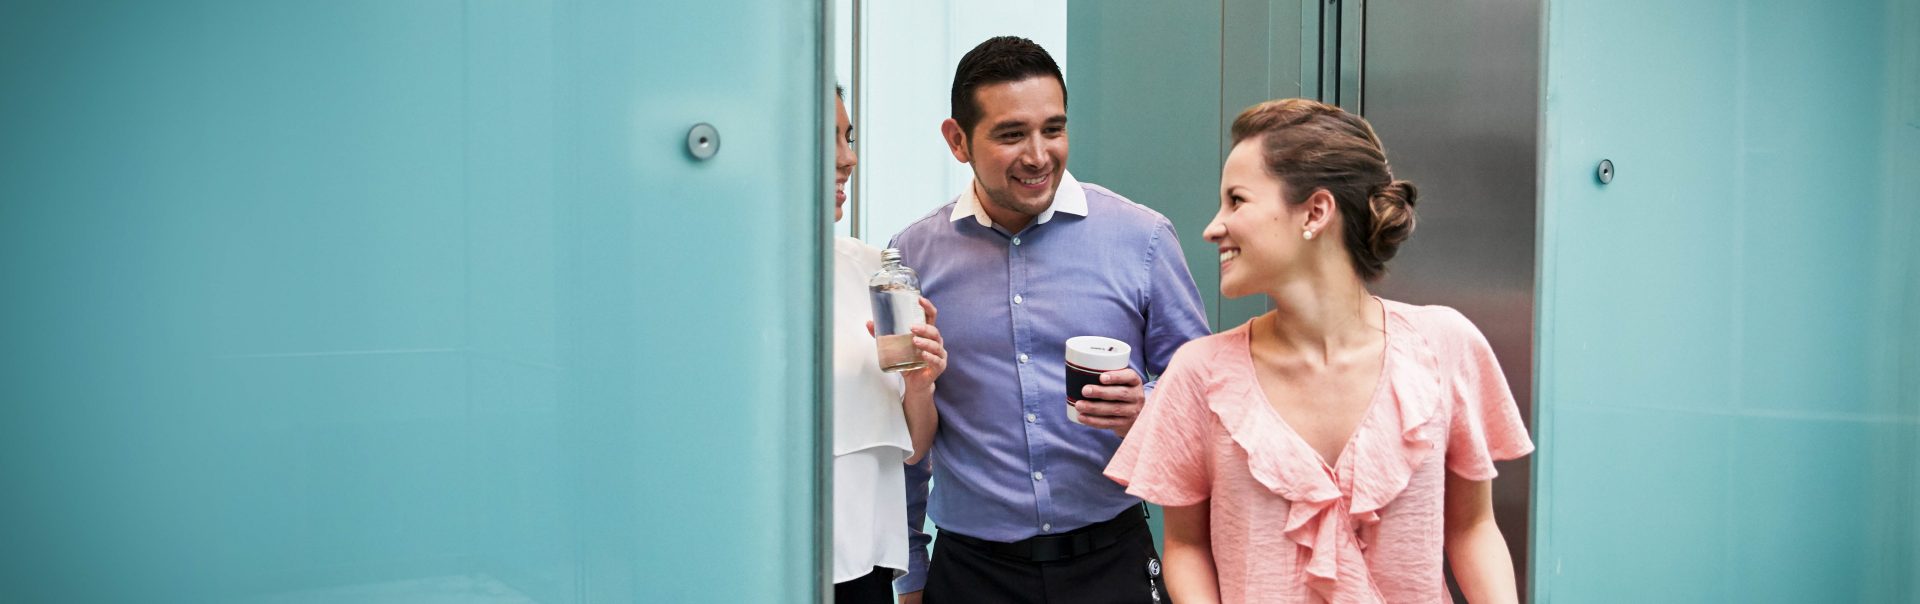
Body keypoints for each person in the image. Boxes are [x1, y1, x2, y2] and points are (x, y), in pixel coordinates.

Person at [1104, 98, 1534, 603]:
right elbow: (1185, 545)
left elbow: (1472, 528)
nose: (1213, 227)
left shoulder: (1447, 345)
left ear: (1315, 211)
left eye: (1236, 201)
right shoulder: (1200, 375)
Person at [888, 37, 1212, 604]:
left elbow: (1208, 397)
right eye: (1011, 134)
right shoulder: (912, 257)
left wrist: (1146, 408)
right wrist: (912, 575)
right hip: (970, 573)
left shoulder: (1143, 239)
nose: (1039, 155)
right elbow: (903, 439)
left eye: (1053, 129)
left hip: (1113, 563)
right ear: (957, 140)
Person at [829, 86, 945, 604]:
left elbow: (914, 448)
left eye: (848, 137)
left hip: (865, 570)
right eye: (827, 138)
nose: (848, 157)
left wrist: (920, 384)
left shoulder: (877, 270)